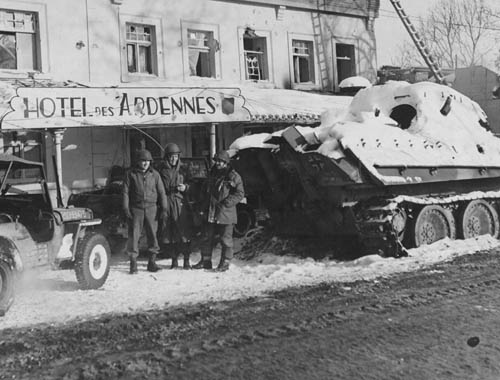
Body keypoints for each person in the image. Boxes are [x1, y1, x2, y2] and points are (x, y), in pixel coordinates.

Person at [193, 150, 244, 271]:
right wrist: (202, 206)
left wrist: (227, 203)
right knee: (206, 236)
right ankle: (205, 261)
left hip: (225, 212)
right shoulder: (212, 174)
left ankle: (225, 263)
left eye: (221, 162)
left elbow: (240, 193)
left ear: (226, 163)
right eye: (217, 161)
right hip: (210, 211)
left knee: (225, 239)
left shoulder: (233, 176)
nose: (218, 164)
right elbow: (206, 192)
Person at [122, 149, 168, 274]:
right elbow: (125, 192)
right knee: (134, 235)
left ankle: (152, 262)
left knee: (153, 235)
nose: (145, 164)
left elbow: (161, 192)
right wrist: (126, 208)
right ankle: (133, 263)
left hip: (151, 209)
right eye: (143, 161)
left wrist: (164, 208)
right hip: (136, 209)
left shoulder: (155, 174)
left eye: (147, 161)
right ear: (138, 162)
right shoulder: (130, 174)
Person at [158, 143, 193, 270]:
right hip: (166, 202)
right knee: (169, 232)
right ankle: (174, 259)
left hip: (180, 202)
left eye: (176, 157)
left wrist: (186, 187)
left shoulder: (184, 169)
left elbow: (192, 184)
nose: (174, 159)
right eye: (171, 157)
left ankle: (186, 260)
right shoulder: (161, 170)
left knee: (184, 232)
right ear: (167, 157)